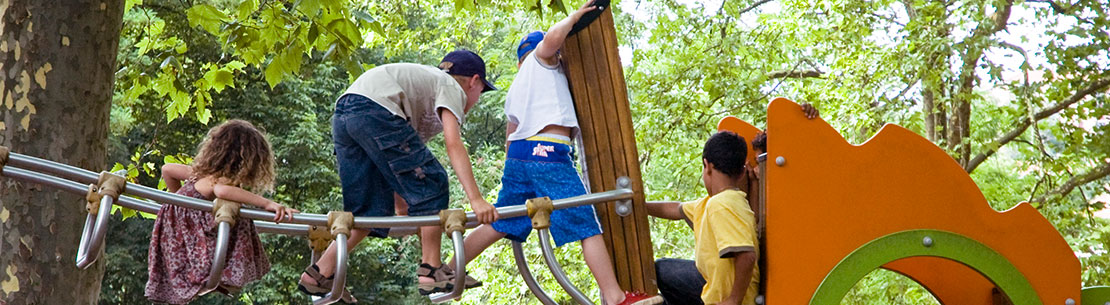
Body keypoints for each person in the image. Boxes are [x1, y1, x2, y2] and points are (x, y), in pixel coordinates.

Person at [443, 2, 662, 304]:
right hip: (547, 151)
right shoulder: (542, 61)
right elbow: (550, 43)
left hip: (519, 156)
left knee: (500, 220)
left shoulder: (519, 86)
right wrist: (573, 19)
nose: (560, 56)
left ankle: (449, 271)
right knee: (585, 219)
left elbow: (511, 134)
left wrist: (516, 171)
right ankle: (614, 297)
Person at [298, 49, 500, 298]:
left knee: (368, 212)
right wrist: (476, 199)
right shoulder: (450, 85)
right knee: (434, 183)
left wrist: (405, 209)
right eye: (480, 92)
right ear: (474, 81)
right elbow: (453, 144)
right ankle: (432, 270)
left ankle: (319, 273)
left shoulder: (420, 97)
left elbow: (398, 166)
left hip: (345, 113)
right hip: (374, 109)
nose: (477, 100)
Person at [146, 119, 299, 304]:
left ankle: (220, 273)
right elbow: (222, 191)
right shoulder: (221, 180)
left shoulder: (200, 175)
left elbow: (167, 169)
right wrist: (267, 203)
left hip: (172, 237)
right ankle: (230, 273)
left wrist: (178, 202)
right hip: (188, 237)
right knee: (239, 214)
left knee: (228, 211)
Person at [647, 131, 758, 305]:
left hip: (730, 300)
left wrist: (733, 300)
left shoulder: (722, 204)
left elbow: (747, 256)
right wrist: (639, 205)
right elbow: (676, 208)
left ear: (707, 166)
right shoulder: (715, 202)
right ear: (742, 172)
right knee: (662, 269)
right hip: (714, 293)